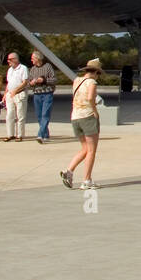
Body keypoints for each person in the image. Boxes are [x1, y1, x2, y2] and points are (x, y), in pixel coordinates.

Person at [61, 58, 103, 190]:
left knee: (84, 148)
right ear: (96, 72)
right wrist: (95, 111)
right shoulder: (92, 82)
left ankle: (69, 170)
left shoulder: (76, 81)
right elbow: (91, 98)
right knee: (91, 150)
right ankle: (87, 180)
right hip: (87, 116)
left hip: (75, 117)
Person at [25, 52, 56, 144]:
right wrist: (32, 83)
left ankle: (40, 135)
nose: (31, 60)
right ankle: (46, 134)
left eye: (32, 58)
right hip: (36, 95)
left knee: (45, 114)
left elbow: (54, 79)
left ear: (38, 59)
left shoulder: (48, 66)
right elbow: (29, 82)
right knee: (39, 116)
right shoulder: (33, 69)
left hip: (47, 94)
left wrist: (44, 80)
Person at [3, 51, 28, 141]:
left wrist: (16, 90)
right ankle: (10, 134)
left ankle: (20, 135)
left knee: (20, 115)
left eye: (10, 59)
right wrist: (5, 94)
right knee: (10, 114)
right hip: (10, 94)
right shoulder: (10, 70)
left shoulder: (23, 68)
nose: (8, 61)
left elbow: (25, 82)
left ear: (15, 59)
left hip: (20, 93)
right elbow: (8, 83)